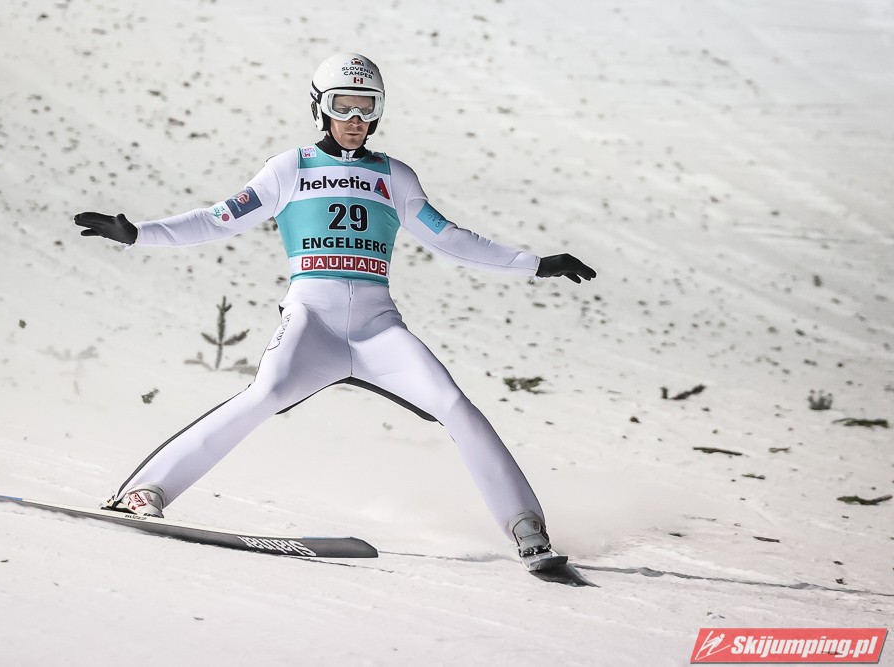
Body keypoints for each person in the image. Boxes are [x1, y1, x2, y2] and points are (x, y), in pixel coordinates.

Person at [74, 52, 596, 572]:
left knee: (454, 404)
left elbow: (451, 239)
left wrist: (535, 265)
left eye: (366, 107)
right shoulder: (290, 168)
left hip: (377, 329)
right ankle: (145, 492)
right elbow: (219, 219)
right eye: (342, 106)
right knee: (263, 395)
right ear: (319, 107)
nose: (354, 119)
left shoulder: (395, 176)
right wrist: (140, 234)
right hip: (313, 323)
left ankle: (527, 529)